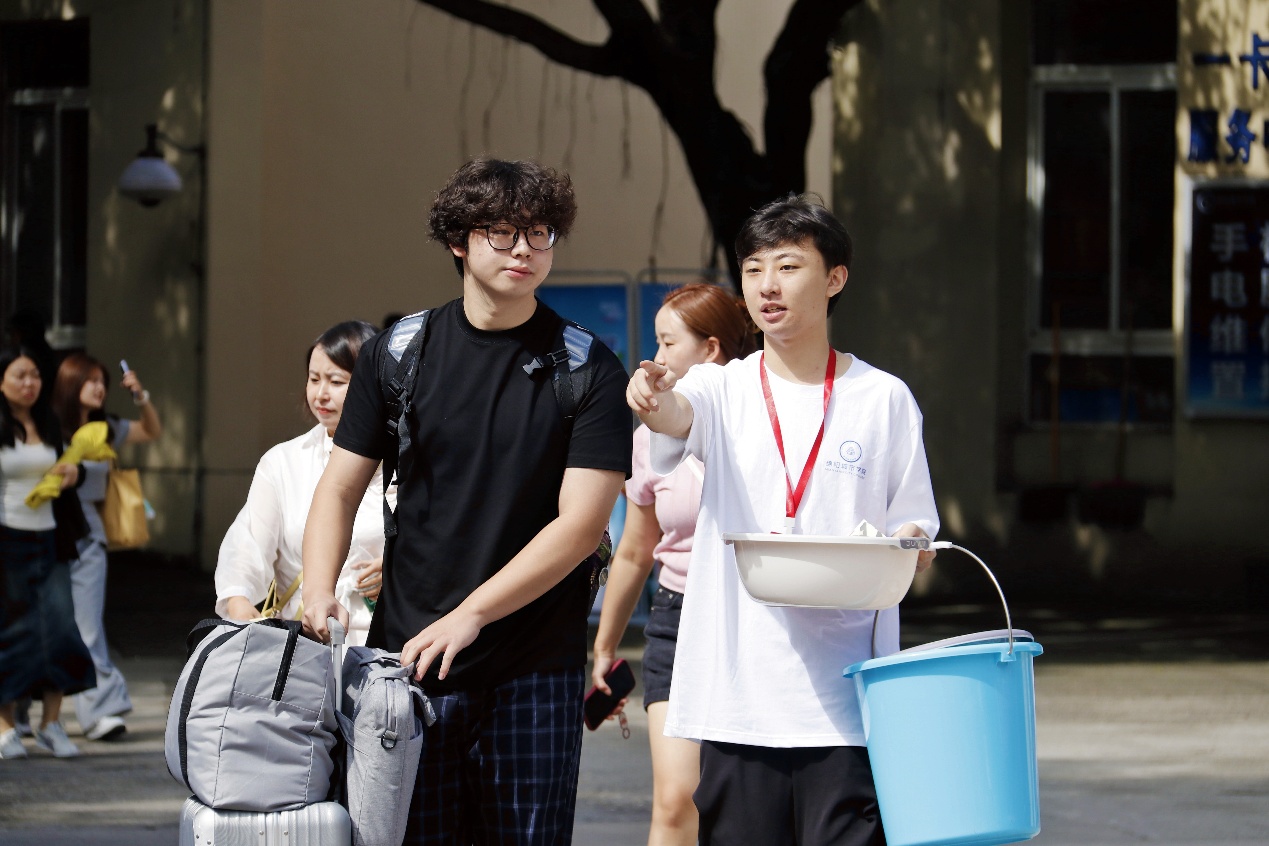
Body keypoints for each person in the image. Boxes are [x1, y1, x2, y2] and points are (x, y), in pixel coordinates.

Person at [301, 158, 632, 845]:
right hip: (410, 661)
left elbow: (580, 526)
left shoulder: (587, 366)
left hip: (534, 667)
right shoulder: (400, 352)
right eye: (502, 232)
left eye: (539, 233)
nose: (523, 249)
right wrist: (316, 588)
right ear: (458, 240)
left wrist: (471, 616)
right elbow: (339, 487)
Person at [626, 194, 940, 846]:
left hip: (848, 708)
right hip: (738, 703)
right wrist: (653, 399)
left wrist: (906, 546)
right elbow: (677, 415)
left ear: (834, 278)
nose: (767, 285)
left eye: (788, 266)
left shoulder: (882, 398)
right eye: (753, 269)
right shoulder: (721, 388)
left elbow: (913, 524)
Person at [591, 282, 755, 846]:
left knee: (748, 802)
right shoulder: (647, 442)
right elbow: (636, 549)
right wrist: (605, 648)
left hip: (755, 618)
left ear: (710, 349)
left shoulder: (760, 424)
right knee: (676, 799)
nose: (656, 356)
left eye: (667, 342)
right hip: (677, 618)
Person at [215, 321, 384, 647]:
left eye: (336, 381)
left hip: (387, 648)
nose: (321, 394)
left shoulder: (411, 461)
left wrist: (398, 572)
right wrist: (240, 605)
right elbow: (247, 546)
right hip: (307, 647)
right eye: (314, 379)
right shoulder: (283, 462)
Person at [51, 354, 162, 741]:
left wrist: (140, 396)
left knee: (87, 626)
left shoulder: (107, 428)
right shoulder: (48, 427)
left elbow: (151, 431)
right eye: (91, 381)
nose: (99, 388)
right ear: (71, 385)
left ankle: (101, 709)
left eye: (102, 381)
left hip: (88, 539)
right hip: (45, 536)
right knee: (36, 626)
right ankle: (19, 712)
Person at [0, 346, 94, 760]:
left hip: (51, 540)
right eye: (20, 375)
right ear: (1, 381)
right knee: (11, 633)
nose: (29, 383)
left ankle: (51, 724)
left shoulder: (49, 421)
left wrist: (75, 473)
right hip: (7, 541)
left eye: (35, 375)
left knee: (60, 630)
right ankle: (5, 727)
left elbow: (74, 466)